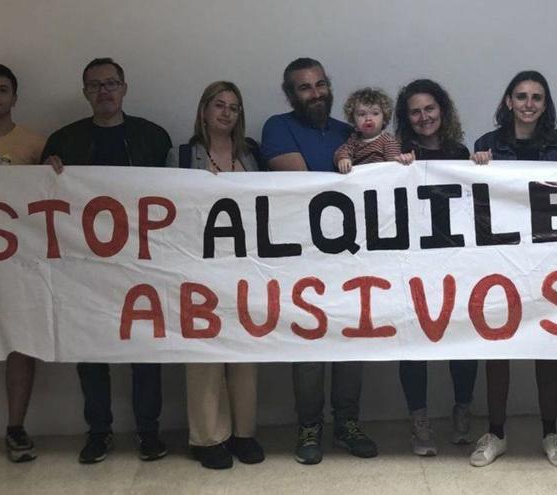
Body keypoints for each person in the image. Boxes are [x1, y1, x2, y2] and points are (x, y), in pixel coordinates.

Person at [40, 57, 171, 464]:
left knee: (146, 351)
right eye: (95, 85)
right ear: (85, 93)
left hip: (142, 262)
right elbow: (43, 198)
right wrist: (45, 173)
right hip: (85, 267)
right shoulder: (63, 140)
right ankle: (99, 432)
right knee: (90, 352)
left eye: (111, 83)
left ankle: (148, 432)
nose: (104, 91)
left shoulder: (153, 136)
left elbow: (176, 197)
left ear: (125, 88)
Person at [260, 57, 377, 464]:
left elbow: (377, 181)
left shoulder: (351, 131)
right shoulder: (278, 127)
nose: (316, 93)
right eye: (305, 88)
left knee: (351, 341)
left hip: (351, 256)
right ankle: (309, 427)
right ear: (291, 94)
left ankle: (347, 423)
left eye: (321, 84)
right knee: (310, 345)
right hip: (301, 257)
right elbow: (302, 182)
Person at [469, 70, 557, 468]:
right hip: (499, 261)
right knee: (498, 346)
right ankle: (496, 433)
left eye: (536, 97)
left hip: (547, 260)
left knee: (547, 346)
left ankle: (551, 431)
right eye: (521, 96)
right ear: (509, 101)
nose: (528, 104)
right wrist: (475, 166)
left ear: (545, 105)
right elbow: (472, 203)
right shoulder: (486, 145)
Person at [166, 81, 264, 469]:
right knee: (204, 351)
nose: (226, 113)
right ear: (204, 110)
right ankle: (207, 437)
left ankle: (243, 433)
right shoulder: (182, 154)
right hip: (198, 267)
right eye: (219, 105)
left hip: (245, 266)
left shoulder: (252, 153)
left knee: (245, 349)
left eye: (234, 107)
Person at [391, 78, 476, 456]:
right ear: (406, 118)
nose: (424, 117)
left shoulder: (460, 152)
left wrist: (480, 167)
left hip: (456, 260)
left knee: (464, 337)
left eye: (430, 108)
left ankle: (462, 409)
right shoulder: (396, 156)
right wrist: (395, 167)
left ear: (442, 110)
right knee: (414, 343)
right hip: (411, 262)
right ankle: (419, 421)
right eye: (415, 111)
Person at [0, 63, 45, 463]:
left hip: (17, 264)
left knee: (19, 344)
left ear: (14, 96)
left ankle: (15, 427)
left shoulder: (33, 144)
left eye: (2, 89)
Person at [333, 87, 401, 173]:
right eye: (362, 114)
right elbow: (340, 152)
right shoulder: (354, 140)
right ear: (353, 120)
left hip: (380, 181)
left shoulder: (388, 141)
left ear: (384, 118)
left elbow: (395, 167)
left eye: (375, 113)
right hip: (359, 182)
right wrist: (343, 159)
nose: (368, 118)